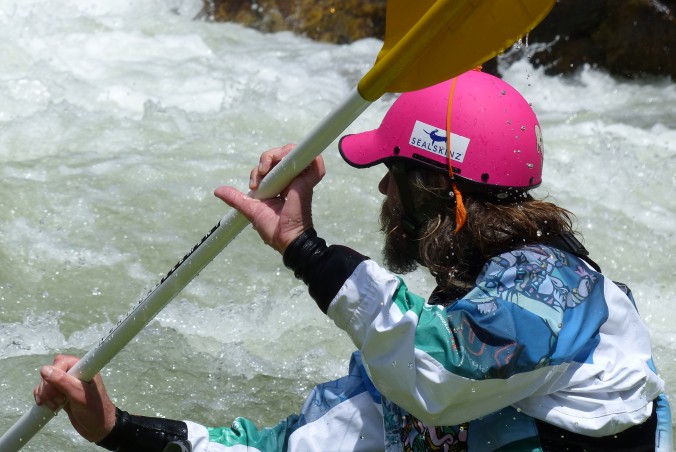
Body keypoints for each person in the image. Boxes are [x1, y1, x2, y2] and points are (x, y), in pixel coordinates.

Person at [34, 69, 672, 451]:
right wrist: (116, 428)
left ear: (434, 189)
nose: (381, 191)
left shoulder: (562, 293)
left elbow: (445, 366)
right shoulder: (430, 347)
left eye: (392, 173)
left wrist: (304, 249)